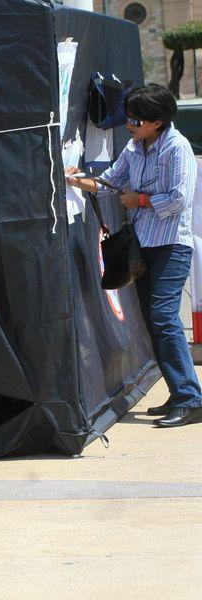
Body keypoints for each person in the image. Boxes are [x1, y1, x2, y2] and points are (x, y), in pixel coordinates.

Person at [67, 83, 202, 428]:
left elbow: (179, 199)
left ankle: (191, 398)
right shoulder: (134, 147)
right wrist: (77, 180)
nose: (129, 125)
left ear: (158, 121)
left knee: (163, 319)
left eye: (137, 120)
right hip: (143, 246)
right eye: (128, 118)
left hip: (171, 246)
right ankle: (179, 393)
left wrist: (140, 200)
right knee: (154, 320)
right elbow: (110, 182)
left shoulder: (177, 147)